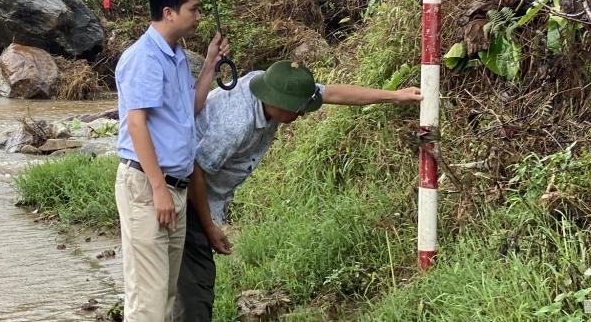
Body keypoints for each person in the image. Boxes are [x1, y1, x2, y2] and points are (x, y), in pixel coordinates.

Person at [174, 60, 423, 322]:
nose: (304, 114)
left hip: (197, 189)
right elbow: (195, 170)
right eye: (300, 110)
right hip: (183, 190)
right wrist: (210, 226)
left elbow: (332, 93)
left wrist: (395, 95)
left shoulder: (275, 83)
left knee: (184, 284)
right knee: (194, 289)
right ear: (281, 104)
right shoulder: (236, 123)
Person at [115, 0, 228, 322]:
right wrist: (159, 189)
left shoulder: (177, 56)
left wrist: (209, 64)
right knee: (146, 303)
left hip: (174, 188)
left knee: (164, 294)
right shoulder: (145, 58)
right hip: (150, 187)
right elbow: (137, 125)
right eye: (193, 9)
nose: (198, 16)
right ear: (169, 12)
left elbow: (188, 109)